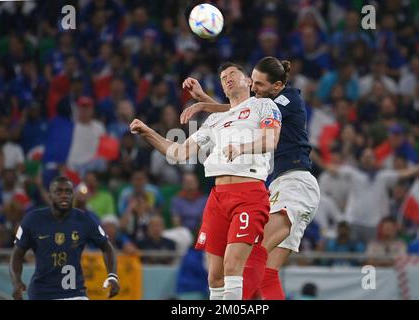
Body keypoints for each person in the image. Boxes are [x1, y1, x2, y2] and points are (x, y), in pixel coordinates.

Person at [130, 62, 282, 300]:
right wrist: (148, 132)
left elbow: (271, 140)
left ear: (249, 82)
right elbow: (178, 153)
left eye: (233, 74)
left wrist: (242, 148)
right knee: (214, 276)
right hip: (218, 198)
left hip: (249, 194)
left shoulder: (263, 105)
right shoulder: (214, 121)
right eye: (223, 77)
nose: (227, 78)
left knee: (233, 267)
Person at [180, 57, 320, 300]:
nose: (254, 89)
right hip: (281, 185)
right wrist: (204, 100)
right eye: (252, 82)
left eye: (259, 85)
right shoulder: (264, 102)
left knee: (253, 251)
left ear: (277, 86)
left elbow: (239, 108)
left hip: (296, 184)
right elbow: (236, 112)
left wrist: (204, 103)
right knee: (266, 272)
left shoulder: (287, 99)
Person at [9, 176, 120, 300]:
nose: (64, 195)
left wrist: (112, 276)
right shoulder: (33, 219)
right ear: (50, 196)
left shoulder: (84, 219)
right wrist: (16, 281)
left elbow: (106, 246)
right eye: (58, 192)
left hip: (75, 293)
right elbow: (17, 253)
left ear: (73, 195)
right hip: (42, 294)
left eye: (68, 191)